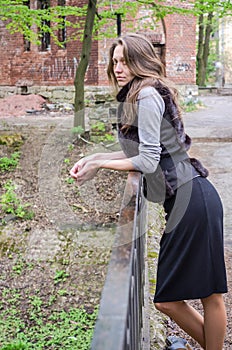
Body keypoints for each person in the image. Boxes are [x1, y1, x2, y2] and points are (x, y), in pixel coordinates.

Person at [70, 33, 228, 350]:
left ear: (140, 61)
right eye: (115, 61)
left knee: (202, 294)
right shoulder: (144, 94)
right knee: (179, 298)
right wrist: (94, 158)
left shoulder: (146, 96)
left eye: (125, 60)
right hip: (190, 196)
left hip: (192, 198)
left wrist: (100, 166)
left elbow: (146, 159)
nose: (118, 67)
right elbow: (145, 149)